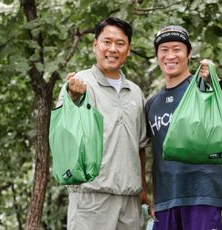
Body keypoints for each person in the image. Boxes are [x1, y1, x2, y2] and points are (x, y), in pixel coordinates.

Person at [55, 17, 149, 230]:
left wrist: (143, 190)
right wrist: (73, 97)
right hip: (91, 199)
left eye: (120, 43)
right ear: (95, 45)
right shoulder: (80, 83)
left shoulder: (135, 91)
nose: (112, 49)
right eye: (107, 42)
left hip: (130, 202)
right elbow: (63, 133)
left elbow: (140, 147)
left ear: (128, 49)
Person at [145, 25, 222, 230]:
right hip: (165, 200)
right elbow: (156, 154)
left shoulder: (202, 89)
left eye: (177, 49)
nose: (170, 55)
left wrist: (216, 83)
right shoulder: (152, 104)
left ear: (188, 54)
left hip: (202, 195)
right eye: (164, 49)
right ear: (157, 55)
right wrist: (154, 195)